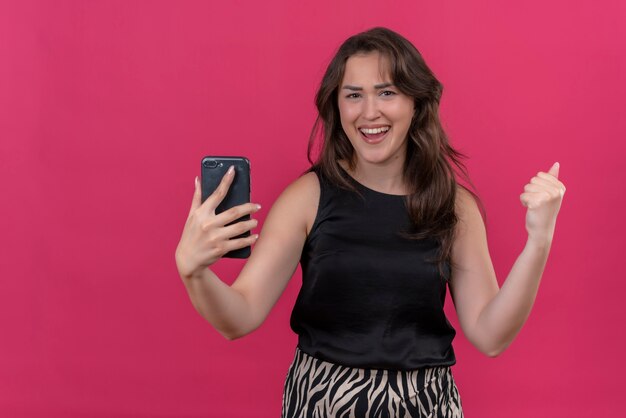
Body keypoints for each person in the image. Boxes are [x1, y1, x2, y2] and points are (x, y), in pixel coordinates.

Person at [175, 27, 566, 418]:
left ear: (416, 102)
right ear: (337, 106)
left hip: (426, 406)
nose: (369, 112)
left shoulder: (454, 207)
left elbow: (491, 336)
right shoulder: (307, 198)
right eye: (353, 95)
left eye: (387, 92)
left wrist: (538, 242)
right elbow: (239, 317)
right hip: (323, 402)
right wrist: (194, 272)